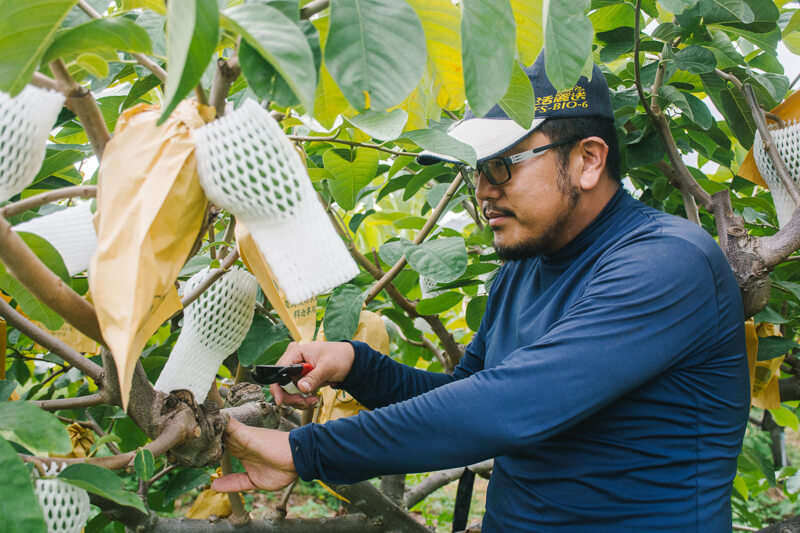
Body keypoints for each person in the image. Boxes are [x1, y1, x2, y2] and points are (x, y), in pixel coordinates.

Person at [213, 52, 751, 532]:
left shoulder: (667, 262)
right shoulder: (526, 265)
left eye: (501, 165)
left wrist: (302, 451)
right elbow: (467, 393)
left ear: (588, 160)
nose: (483, 191)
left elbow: (510, 405)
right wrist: (356, 364)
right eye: (477, 170)